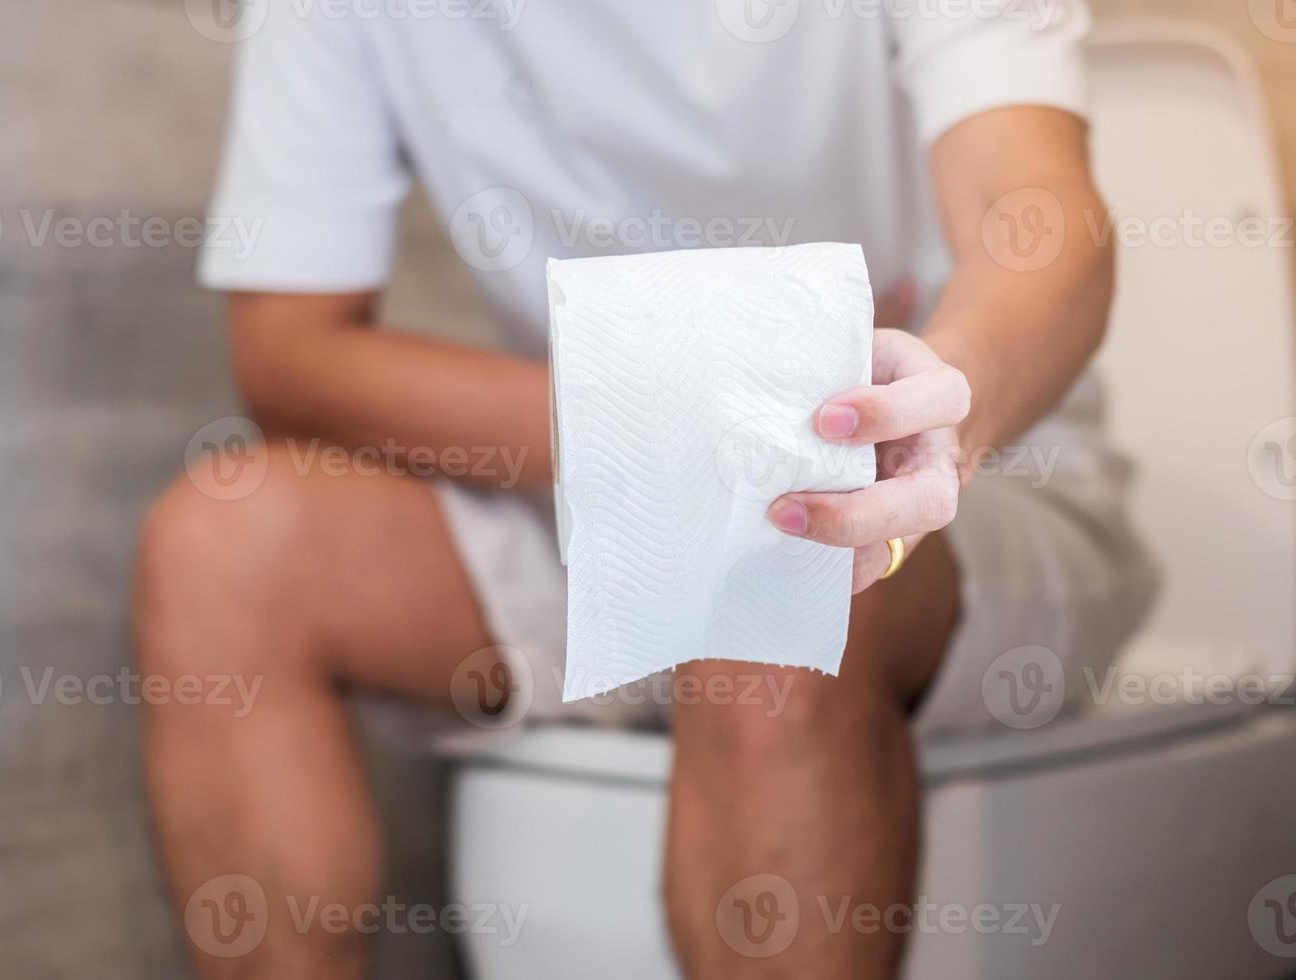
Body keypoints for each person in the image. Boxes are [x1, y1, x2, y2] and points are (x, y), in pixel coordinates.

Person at [134, 1, 1158, 976]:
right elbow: (289, 354)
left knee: (766, 577)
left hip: (957, 481)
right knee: (223, 548)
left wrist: (941, 401)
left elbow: (1032, 212)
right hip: (598, 485)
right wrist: (682, 435)